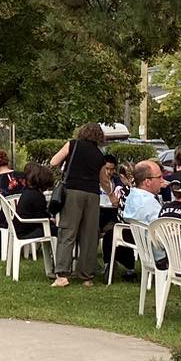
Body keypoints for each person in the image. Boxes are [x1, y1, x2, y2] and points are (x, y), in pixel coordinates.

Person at [49, 123, 109, 287]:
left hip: (73, 192)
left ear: (82, 133)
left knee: (68, 231)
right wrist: (111, 194)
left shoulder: (72, 145)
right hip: (92, 194)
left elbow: (54, 161)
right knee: (89, 235)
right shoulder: (99, 154)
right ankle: (86, 276)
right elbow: (104, 179)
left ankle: (62, 274)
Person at [121, 158, 166, 226]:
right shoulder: (149, 202)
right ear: (147, 182)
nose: (162, 180)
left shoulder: (132, 195)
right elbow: (163, 228)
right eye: (159, 177)